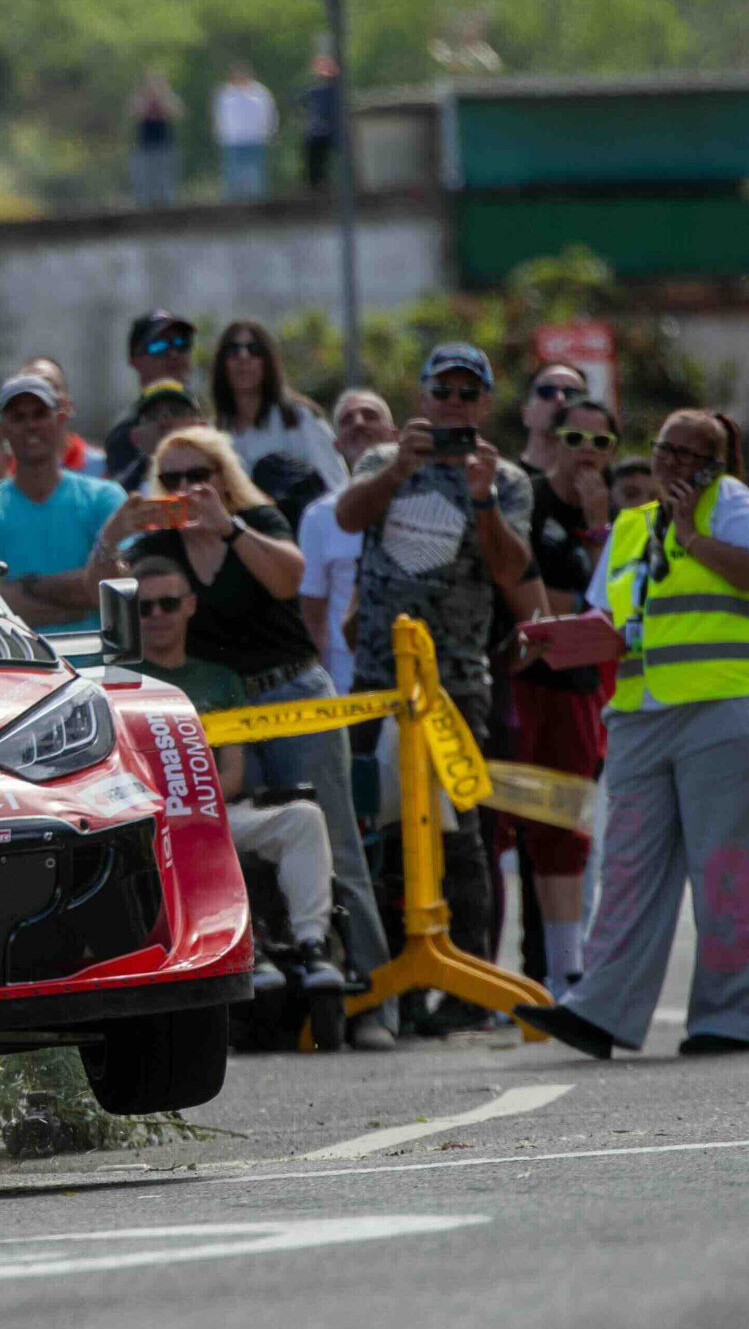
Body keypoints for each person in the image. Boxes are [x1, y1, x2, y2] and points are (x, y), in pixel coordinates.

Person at [519, 409, 749, 1060]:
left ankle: (731, 1017)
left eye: (692, 456)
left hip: (724, 706)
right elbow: (610, 617)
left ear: (715, 466)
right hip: (641, 714)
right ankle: (599, 1009)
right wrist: (560, 639)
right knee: (628, 868)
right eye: (667, 449)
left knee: (725, 866)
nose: (674, 464)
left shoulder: (731, 504)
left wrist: (692, 536)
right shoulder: (632, 526)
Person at [123, 425, 393, 1045]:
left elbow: (289, 580)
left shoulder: (257, 518)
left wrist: (228, 528)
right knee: (253, 847)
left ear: (225, 477)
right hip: (223, 703)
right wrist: (115, 533)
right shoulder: (157, 545)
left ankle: (375, 1005)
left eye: (199, 475)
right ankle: (282, 1005)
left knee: (338, 841)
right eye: (172, 478)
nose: (186, 488)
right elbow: (115, 597)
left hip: (292, 692)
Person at [333, 341, 533, 994]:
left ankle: (464, 986)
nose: (453, 404)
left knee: (460, 834)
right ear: (420, 398)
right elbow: (347, 517)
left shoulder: (507, 480)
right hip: (377, 679)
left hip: (456, 682)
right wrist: (398, 471)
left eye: (466, 393)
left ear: (485, 404)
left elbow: (513, 572)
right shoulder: (381, 460)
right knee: (373, 827)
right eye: (441, 391)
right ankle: (383, 980)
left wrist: (483, 499)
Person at [123, 556, 349, 1009]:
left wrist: (196, 801)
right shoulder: (121, 683)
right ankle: (247, 947)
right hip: (154, 825)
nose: (158, 616)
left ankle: (312, 946)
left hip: (218, 811)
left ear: (190, 606)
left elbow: (234, 771)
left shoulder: (220, 680)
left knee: (304, 818)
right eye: (144, 608)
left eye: (169, 603)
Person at [510, 397, 620, 1000]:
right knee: (499, 828)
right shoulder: (524, 497)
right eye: (576, 438)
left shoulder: (616, 517)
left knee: (565, 830)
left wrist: (600, 525)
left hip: (577, 685)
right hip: (519, 680)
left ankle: (565, 971)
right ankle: (492, 973)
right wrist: (572, 607)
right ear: (554, 439)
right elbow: (526, 594)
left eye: (600, 443)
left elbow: (612, 601)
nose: (586, 453)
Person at [0, 375, 127, 631]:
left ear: (60, 420)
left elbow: (118, 590)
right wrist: (81, 598)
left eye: (39, 414)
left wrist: (29, 585)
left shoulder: (105, 497)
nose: (31, 425)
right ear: (1, 429)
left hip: (97, 653)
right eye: (18, 417)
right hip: (22, 657)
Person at [297, 388, 395, 692]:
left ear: (395, 435)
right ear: (337, 445)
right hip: (350, 683)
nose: (359, 423)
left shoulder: (427, 502)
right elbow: (313, 615)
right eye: (347, 419)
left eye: (370, 415)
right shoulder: (318, 516)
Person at [210, 320, 347, 506]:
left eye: (254, 349)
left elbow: (336, 485)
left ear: (268, 361)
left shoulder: (299, 417)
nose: (243, 357)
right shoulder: (213, 431)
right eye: (233, 350)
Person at [104, 309, 195, 478]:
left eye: (181, 343)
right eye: (158, 346)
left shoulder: (213, 420)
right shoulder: (125, 433)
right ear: (134, 360)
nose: (173, 354)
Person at [114, 378, 206, 495]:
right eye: (152, 415)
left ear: (201, 426)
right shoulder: (118, 494)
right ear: (135, 436)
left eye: (177, 411)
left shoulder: (222, 481)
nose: (164, 422)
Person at [15, 358, 100, 473]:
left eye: (47, 386)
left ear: (69, 405)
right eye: (27, 390)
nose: (36, 399)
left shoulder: (103, 468)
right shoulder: (3, 469)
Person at [215, 61, 277, 199]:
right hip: (233, 140)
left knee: (257, 175)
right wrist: (222, 135)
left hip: (256, 139)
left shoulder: (260, 92)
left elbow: (270, 114)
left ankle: (258, 203)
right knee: (232, 174)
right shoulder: (226, 93)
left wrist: (268, 133)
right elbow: (220, 116)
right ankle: (232, 203)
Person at [516, 361, 589, 474]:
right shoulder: (499, 480)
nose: (560, 398)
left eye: (572, 394)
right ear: (526, 413)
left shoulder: (609, 482)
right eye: (547, 391)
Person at [126, 67, 183, 207]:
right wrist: (145, 101)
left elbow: (177, 113)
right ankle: (143, 203)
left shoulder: (168, 97)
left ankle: (167, 202)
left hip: (164, 141)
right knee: (143, 175)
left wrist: (163, 98)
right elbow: (133, 114)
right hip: (144, 142)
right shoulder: (139, 98)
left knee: (165, 174)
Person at [299, 55, 339, 191]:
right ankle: (316, 187)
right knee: (314, 163)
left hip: (333, 131)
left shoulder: (336, 87)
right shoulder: (313, 87)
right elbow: (305, 104)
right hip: (315, 132)